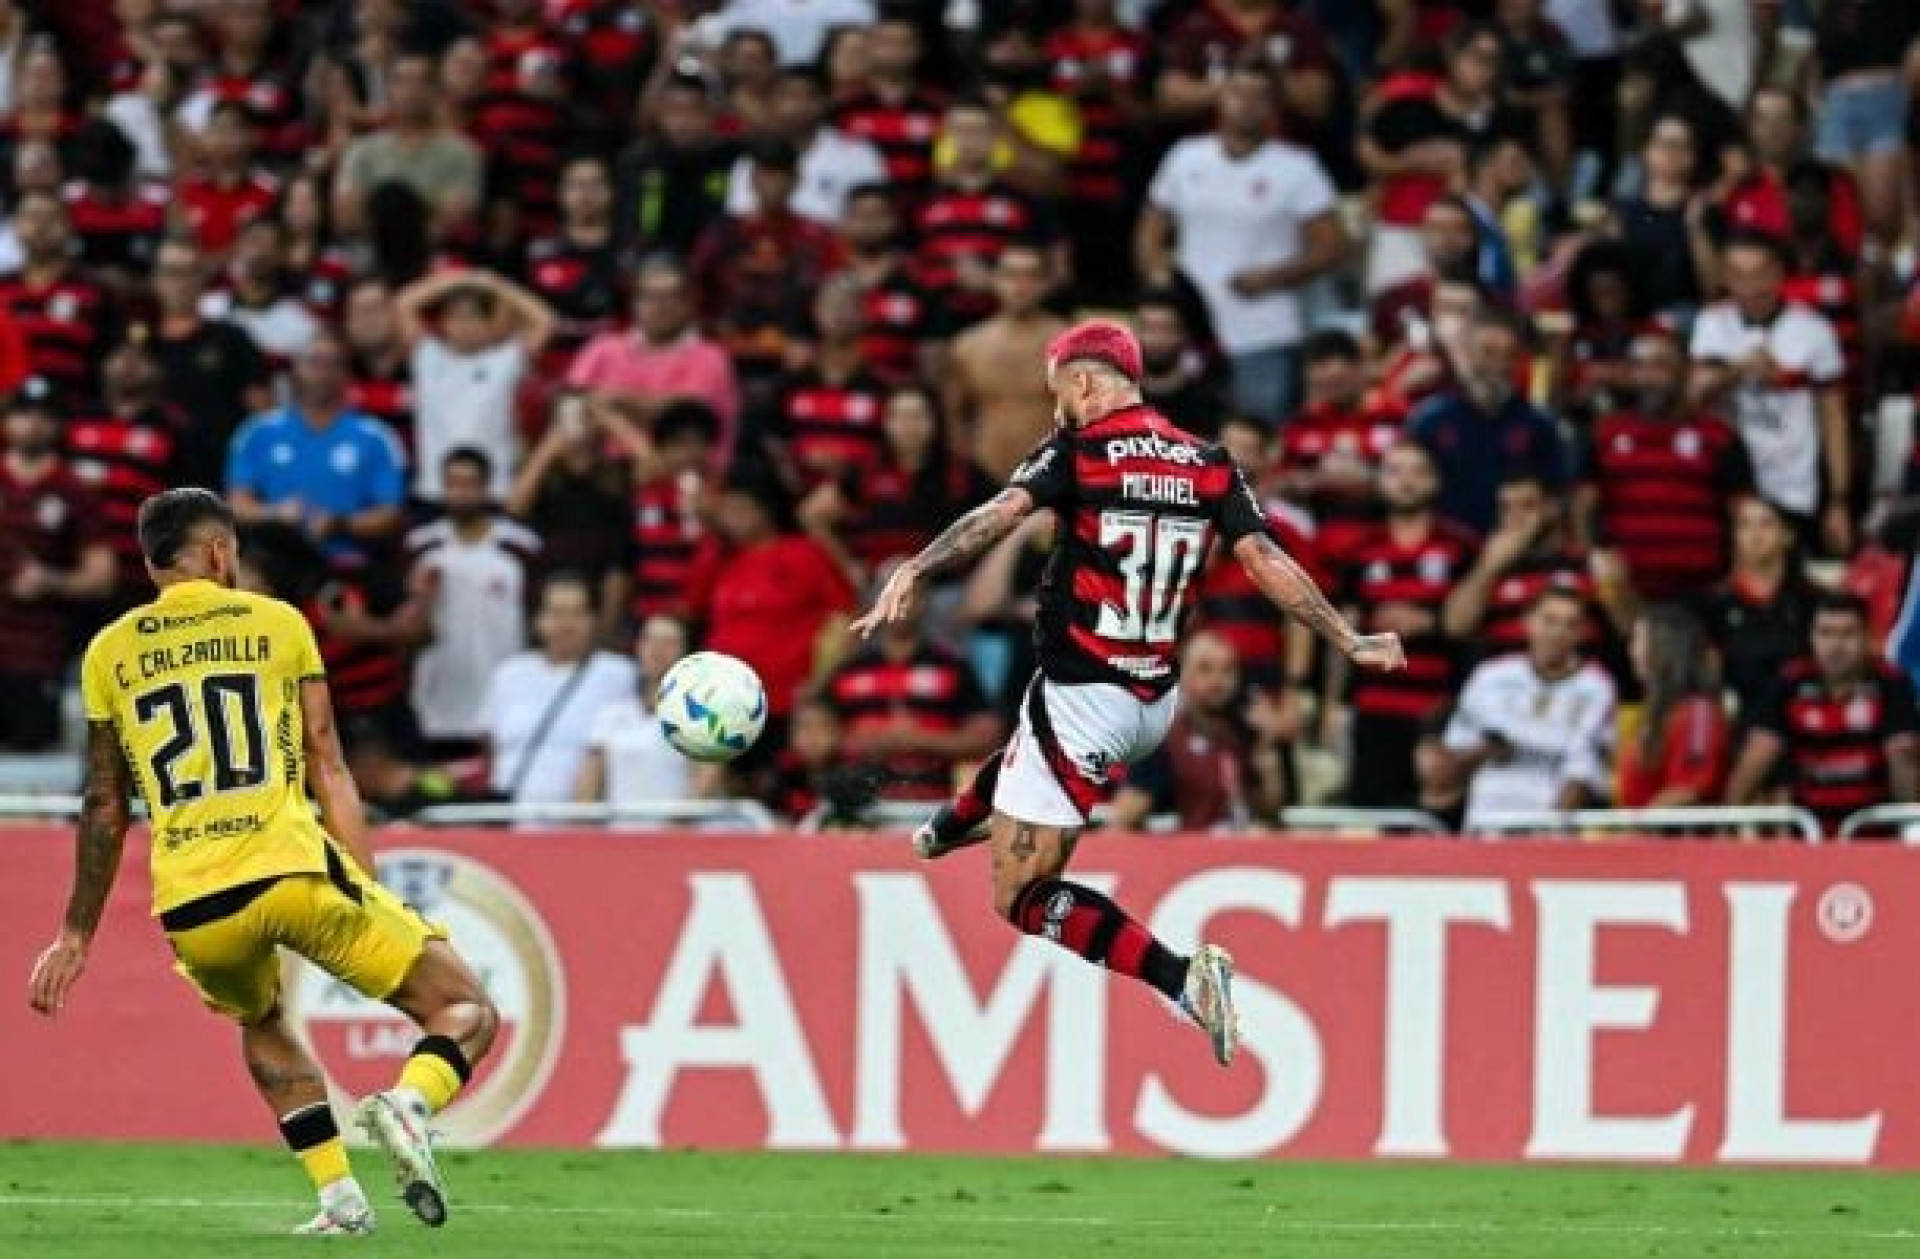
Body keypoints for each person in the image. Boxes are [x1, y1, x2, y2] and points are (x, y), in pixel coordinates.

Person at [850, 319, 1405, 1068]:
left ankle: (1182, 979)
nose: (1057, 411)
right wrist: (1347, 637)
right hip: (1155, 701)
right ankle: (948, 825)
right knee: (1029, 728)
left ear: (1082, 382)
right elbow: (1264, 558)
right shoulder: (1208, 461)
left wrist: (916, 567)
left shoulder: (1078, 452)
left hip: (1087, 698)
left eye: (1058, 395)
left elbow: (997, 516)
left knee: (1019, 896)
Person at [27, 488, 498, 1234]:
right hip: (289, 870)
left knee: (262, 1016)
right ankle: (411, 1105)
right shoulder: (278, 623)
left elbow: (104, 804)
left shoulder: (109, 652)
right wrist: (368, 888)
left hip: (193, 908)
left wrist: (75, 934)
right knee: (464, 1008)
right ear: (220, 553)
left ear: (151, 565)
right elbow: (327, 762)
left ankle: (338, 1197)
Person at [1137, 58, 1347, 426]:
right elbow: (1150, 229)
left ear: (1274, 106)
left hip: (1264, 330)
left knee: (1255, 435)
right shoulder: (1186, 156)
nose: (1246, 104)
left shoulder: (1298, 166)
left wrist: (1274, 277)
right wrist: (1160, 283)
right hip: (1188, 335)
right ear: (1221, 97)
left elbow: (1332, 246)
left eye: (1259, 96)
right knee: (1182, 439)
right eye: (1237, 93)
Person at [1688, 230, 1853, 556]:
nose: (1750, 286)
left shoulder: (1813, 329)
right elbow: (1694, 397)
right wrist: (1737, 371)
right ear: (1724, 276)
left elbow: (1834, 419)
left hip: (1793, 485)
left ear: (1778, 273)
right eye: (1738, 275)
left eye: (1759, 273)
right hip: (1729, 483)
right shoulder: (1711, 324)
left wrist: (1838, 500)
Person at [1338, 441, 1478, 809]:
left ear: (1436, 481)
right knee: (1373, 817)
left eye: (1418, 471)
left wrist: (1431, 623)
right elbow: (1342, 630)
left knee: (1437, 818)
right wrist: (1335, 705)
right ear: (1380, 481)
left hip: (1440, 711)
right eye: (1396, 471)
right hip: (1374, 709)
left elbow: (1473, 625)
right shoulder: (1359, 551)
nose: (1407, 481)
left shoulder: (1461, 546)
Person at [1576, 327, 1751, 604]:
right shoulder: (1605, 434)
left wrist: (1736, 577)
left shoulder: (1719, 436)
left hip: (1703, 590)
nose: (1648, 377)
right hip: (1624, 591)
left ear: (1685, 371)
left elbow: (1742, 512)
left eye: (1660, 366)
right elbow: (1584, 505)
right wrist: (1590, 561)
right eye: (1639, 367)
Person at [1426, 586, 1617, 832]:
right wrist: (1488, 750)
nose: (1558, 632)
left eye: (1570, 624)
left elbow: (1585, 769)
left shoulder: (1596, 688)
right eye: (1549, 620)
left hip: (1551, 827)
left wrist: (1552, 831)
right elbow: (1448, 766)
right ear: (1529, 622)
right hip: (1486, 822)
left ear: (1582, 633)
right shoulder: (1490, 677)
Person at [1727, 592, 1919, 835]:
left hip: (1875, 837)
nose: (1835, 646)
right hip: (1807, 835)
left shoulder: (1891, 683)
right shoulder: (1789, 682)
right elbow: (1758, 754)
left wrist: (1910, 831)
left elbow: (1903, 762)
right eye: (1825, 633)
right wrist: (1728, 824)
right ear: (1811, 637)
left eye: (1848, 634)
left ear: (1868, 638)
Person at [0, 378, 115, 749]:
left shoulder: (74, 489)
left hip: (38, 654)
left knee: (33, 764)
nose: (33, 423)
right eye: (23, 413)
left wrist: (49, 580)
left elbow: (103, 577)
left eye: (44, 415)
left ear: (58, 425)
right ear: (7, 421)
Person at [226, 331, 408, 565]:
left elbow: (392, 515)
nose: (323, 373)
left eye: (333, 364)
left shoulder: (377, 435)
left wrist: (341, 523)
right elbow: (236, 506)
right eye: (314, 363)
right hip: (275, 564)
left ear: (347, 374)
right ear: (295, 370)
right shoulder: (257, 431)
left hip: (349, 564)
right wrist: (275, 514)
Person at [407, 448, 541, 760]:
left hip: (503, 700)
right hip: (439, 700)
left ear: (486, 487)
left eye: (469, 484)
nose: (461, 493)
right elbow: (406, 625)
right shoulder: (419, 546)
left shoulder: (520, 547)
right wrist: (420, 598)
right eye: (453, 484)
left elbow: (537, 621)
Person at [394, 267, 554, 504]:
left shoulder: (505, 360)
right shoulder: (427, 356)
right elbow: (402, 304)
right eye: (456, 317)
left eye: (472, 317)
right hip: (435, 491)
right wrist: (461, 279)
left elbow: (545, 321)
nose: (464, 325)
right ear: (444, 322)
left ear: (489, 324)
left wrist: (495, 285)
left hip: (493, 492)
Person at [478, 571, 638, 806]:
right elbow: (490, 745)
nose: (566, 624)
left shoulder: (619, 674)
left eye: (577, 613)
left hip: (581, 819)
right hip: (512, 816)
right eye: (556, 613)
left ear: (593, 620)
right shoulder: (508, 674)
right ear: (539, 620)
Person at [1408, 308, 1569, 535]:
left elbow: (1557, 497)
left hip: (1519, 545)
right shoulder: (1429, 420)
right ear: (1468, 353)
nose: (1498, 365)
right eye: (1488, 352)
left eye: (1508, 355)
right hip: (1444, 545)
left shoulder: (1540, 426)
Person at [1110, 630, 1288, 830]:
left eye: (1228, 670)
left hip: (1243, 845)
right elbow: (1124, 818)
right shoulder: (1164, 739)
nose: (1218, 680)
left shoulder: (1245, 733)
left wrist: (1266, 748)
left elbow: (1271, 811)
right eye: (1205, 669)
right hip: (1193, 846)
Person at [944, 242, 1067, 482]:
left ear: (1046, 283)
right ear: (994, 280)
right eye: (1010, 275)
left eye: (1031, 276)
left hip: (1050, 478)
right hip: (984, 477)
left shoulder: (1070, 345)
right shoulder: (967, 345)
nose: (1021, 285)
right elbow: (954, 421)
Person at [575, 614, 712, 806]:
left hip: (675, 824)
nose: (657, 649)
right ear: (638, 647)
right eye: (650, 640)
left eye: (669, 643)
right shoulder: (610, 714)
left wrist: (679, 823)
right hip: (620, 824)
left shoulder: (703, 716)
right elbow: (588, 784)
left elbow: (706, 780)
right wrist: (583, 819)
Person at [1617, 604, 1730, 809]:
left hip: (1667, 828)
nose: (1631, 650)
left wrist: (1639, 825)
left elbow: (1688, 788)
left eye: (1637, 640)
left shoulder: (1698, 713)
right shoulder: (1658, 712)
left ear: (1662, 647)